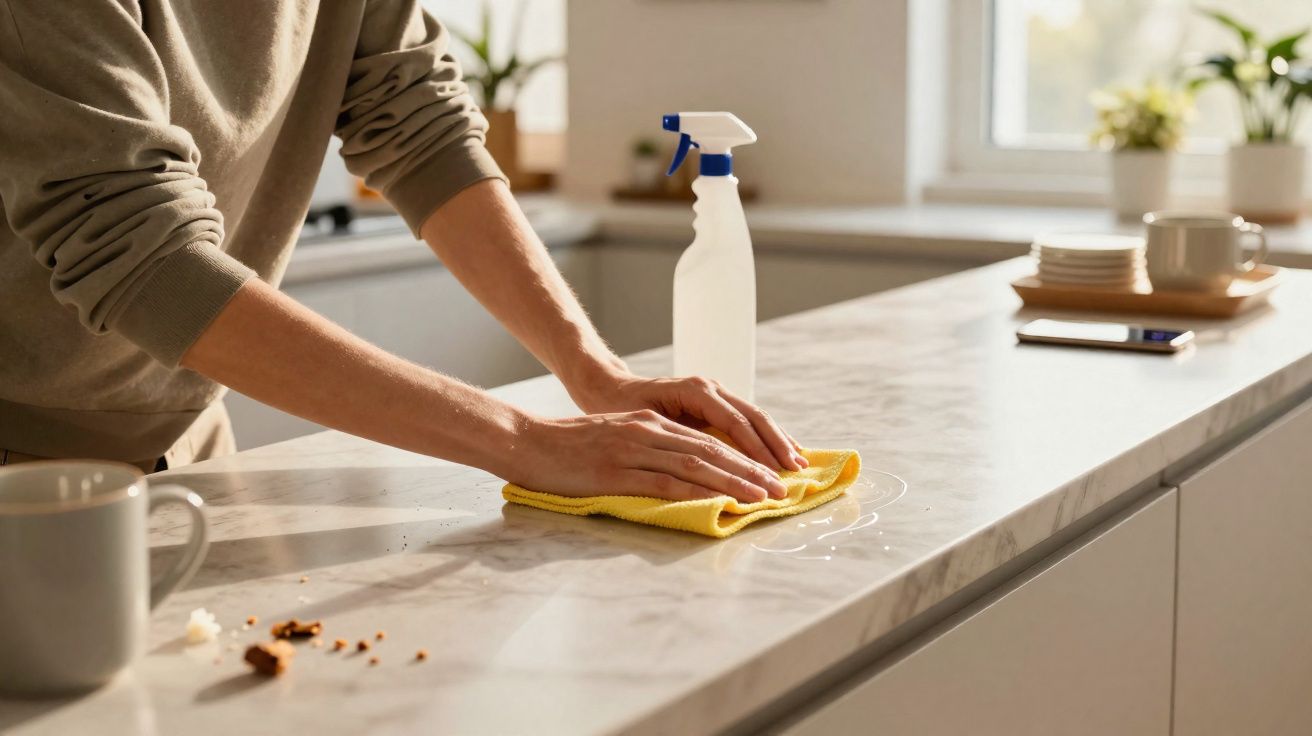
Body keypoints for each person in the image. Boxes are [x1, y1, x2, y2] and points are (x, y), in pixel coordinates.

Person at [0, 1, 805, 502]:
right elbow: (139, 252)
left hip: (193, 443)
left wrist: (595, 373)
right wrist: (522, 441)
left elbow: (419, 126)